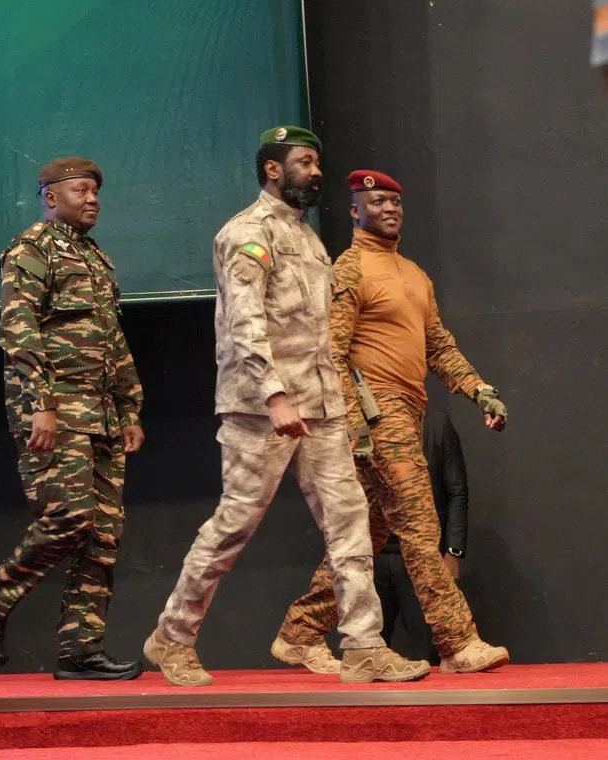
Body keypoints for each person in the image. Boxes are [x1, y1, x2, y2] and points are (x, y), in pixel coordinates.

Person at [143, 128, 429, 686]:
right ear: (273, 169)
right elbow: (245, 322)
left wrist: (336, 402)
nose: (316, 171)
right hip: (260, 410)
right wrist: (274, 394)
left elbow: (320, 334)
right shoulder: (246, 233)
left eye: (317, 161)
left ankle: (364, 646)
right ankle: (172, 637)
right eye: (304, 161)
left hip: (321, 408)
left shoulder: (309, 239)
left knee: (350, 521)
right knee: (235, 522)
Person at [274, 169, 508, 674]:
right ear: (354, 211)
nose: (389, 209)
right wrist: (354, 424)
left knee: (364, 536)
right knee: (421, 525)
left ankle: (299, 632)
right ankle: (458, 643)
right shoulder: (349, 269)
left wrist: (480, 390)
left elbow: (439, 345)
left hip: (406, 411)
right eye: (377, 201)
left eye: (395, 202)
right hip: (377, 414)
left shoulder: (414, 274)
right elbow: (331, 354)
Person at [0, 157, 146, 681]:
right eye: (80, 190)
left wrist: (129, 407)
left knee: (102, 536)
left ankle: (80, 651)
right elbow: (19, 330)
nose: (93, 199)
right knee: (70, 516)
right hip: (56, 410)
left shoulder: (94, 257)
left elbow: (113, 340)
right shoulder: (32, 248)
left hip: (101, 414)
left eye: (96, 191)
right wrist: (40, 403)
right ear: (50, 197)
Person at [376, 407, 468, 661]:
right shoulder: (360, 421)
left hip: (423, 555)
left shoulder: (436, 423)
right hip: (371, 553)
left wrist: (453, 551)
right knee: (366, 648)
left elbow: (457, 491)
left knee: (427, 649)